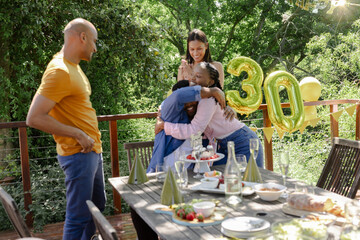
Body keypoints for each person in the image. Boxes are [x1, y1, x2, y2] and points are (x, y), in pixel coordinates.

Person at [26, 18, 105, 240]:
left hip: (92, 150)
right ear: (82, 37)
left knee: (97, 205)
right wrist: (79, 134)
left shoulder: (74, 68)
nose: (95, 48)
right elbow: (34, 118)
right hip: (78, 153)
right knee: (78, 215)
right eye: (94, 41)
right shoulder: (59, 70)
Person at [157, 62, 264, 168]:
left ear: (210, 82)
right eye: (193, 75)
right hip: (223, 144)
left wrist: (164, 126)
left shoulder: (208, 100)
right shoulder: (198, 99)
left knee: (250, 179)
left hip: (242, 142)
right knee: (219, 178)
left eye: (198, 76)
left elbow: (195, 130)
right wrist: (162, 109)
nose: (193, 79)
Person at [147, 82, 226, 173]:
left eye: (192, 99)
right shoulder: (170, 113)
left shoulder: (201, 114)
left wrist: (228, 108)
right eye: (185, 100)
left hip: (190, 173)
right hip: (165, 172)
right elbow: (178, 96)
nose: (188, 104)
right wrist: (213, 91)